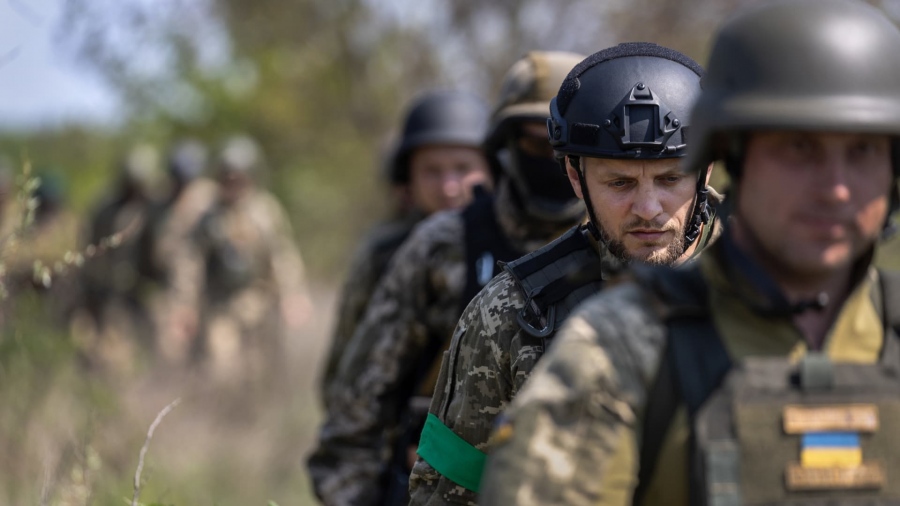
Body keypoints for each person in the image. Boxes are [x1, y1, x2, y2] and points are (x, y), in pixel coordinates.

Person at [479, 1, 900, 505]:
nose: (835, 189)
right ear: (733, 157)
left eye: (863, 151)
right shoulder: (614, 351)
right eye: (799, 149)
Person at [408, 42, 723, 505]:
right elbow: (448, 491)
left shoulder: (779, 291)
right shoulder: (511, 314)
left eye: (670, 179)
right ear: (576, 179)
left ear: (705, 171)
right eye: (620, 183)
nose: (648, 209)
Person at [306, 50, 585, 506]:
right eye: (534, 143)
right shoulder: (441, 244)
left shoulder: (631, 245)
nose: (550, 159)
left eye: (563, 143)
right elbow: (354, 413)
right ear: (505, 145)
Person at [320, 91, 493, 405]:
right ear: (408, 178)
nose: (448, 186)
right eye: (432, 171)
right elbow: (344, 364)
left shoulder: (518, 245)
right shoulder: (385, 253)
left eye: (462, 168)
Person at [170, 135, 311, 383]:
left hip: (259, 301)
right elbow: (190, 262)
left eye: (239, 178)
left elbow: (282, 255)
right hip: (220, 305)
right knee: (223, 368)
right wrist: (185, 305)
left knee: (261, 371)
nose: (233, 184)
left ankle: (255, 418)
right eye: (228, 178)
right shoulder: (208, 216)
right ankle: (223, 417)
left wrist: (293, 294)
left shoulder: (266, 211)